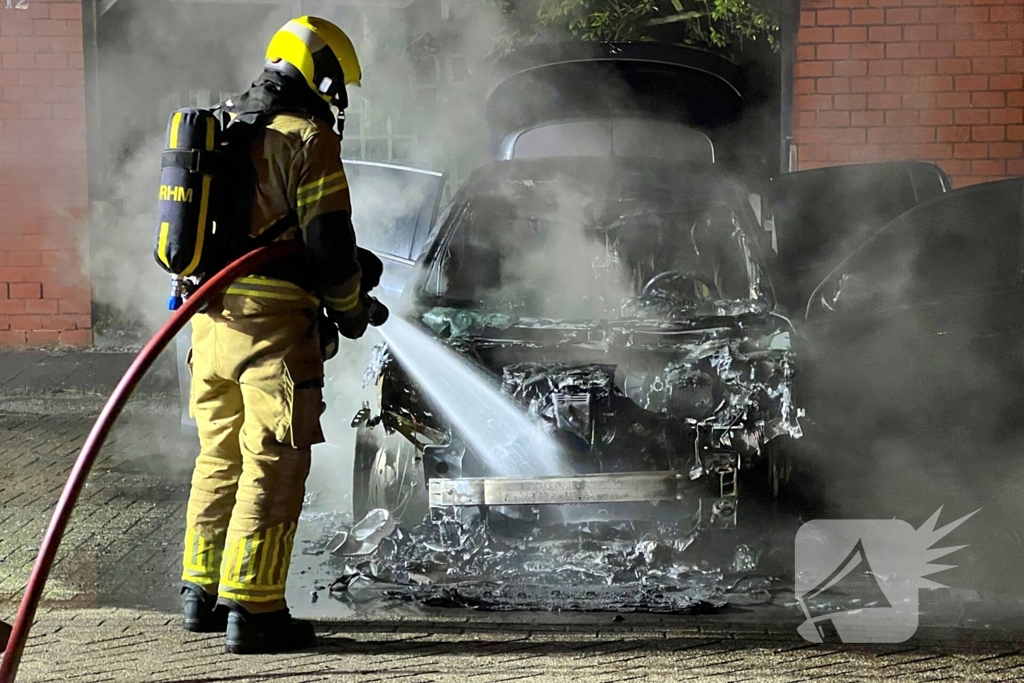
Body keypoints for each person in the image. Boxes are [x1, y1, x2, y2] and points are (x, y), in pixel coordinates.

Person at [179, 16, 369, 654]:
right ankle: (256, 610)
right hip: (272, 333)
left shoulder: (230, 127)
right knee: (273, 460)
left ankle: (202, 593)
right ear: (318, 73)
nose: (337, 98)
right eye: (336, 84)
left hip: (210, 325)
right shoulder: (307, 138)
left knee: (218, 457)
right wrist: (350, 308)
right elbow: (330, 247)